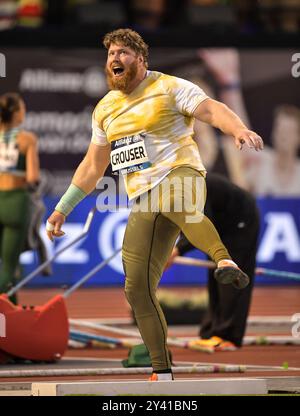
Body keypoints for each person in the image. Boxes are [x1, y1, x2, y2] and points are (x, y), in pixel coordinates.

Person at [46, 28, 263, 381]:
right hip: (143, 196)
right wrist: (62, 208)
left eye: (123, 53)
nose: (115, 58)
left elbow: (211, 109)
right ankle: (162, 372)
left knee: (183, 206)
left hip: (182, 173)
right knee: (136, 286)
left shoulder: (170, 86)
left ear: (142, 60)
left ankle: (224, 259)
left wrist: (237, 129)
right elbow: (92, 165)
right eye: (111, 54)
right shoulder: (105, 109)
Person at [166, 173, 260, 352]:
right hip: (219, 224)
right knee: (216, 275)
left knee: (232, 275)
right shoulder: (171, 192)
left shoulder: (192, 187)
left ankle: (228, 336)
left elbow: (200, 224)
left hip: (240, 221)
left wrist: (176, 251)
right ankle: (211, 332)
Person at [0, 92, 40, 304]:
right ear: (15, 114)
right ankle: (7, 311)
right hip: (15, 203)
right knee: (9, 265)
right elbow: (33, 177)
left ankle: (10, 308)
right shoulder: (26, 139)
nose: (24, 112)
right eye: (22, 108)